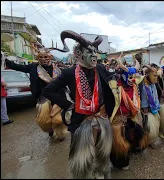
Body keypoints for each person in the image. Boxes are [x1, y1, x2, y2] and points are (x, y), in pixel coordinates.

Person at [42, 30, 114, 179]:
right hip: (81, 120)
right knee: (82, 157)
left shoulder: (100, 69)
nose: (93, 55)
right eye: (89, 51)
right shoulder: (69, 73)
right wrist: (69, 105)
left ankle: (100, 172)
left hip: (101, 117)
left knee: (102, 152)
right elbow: (48, 90)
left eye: (95, 51)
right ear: (78, 53)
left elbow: (112, 84)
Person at [5, 43, 67, 139]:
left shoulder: (57, 70)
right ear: (38, 58)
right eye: (40, 57)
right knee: (44, 118)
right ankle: (50, 130)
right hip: (43, 96)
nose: (43, 59)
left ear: (50, 57)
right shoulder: (33, 67)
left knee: (58, 118)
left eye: (45, 57)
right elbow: (18, 67)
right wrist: (7, 61)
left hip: (57, 95)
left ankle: (60, 133)